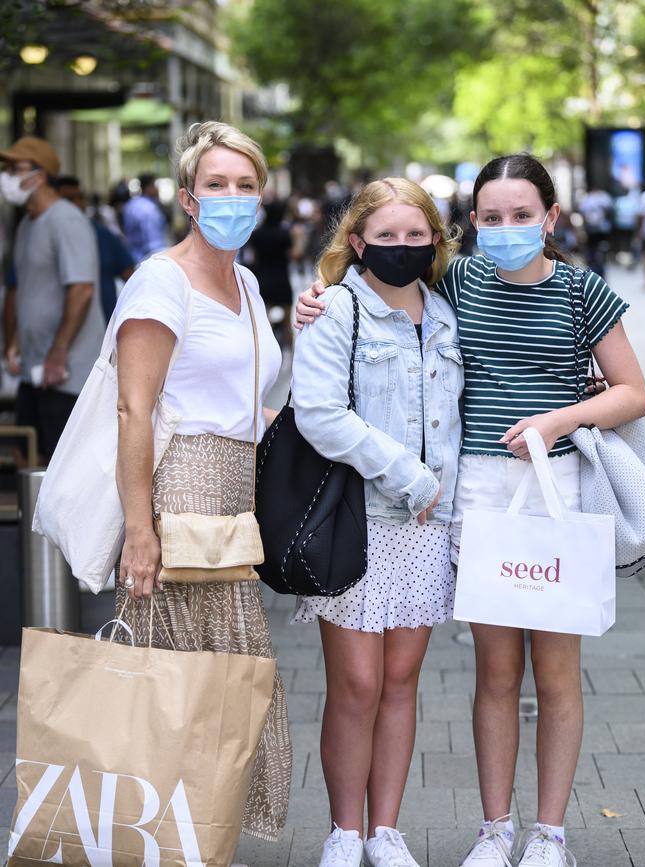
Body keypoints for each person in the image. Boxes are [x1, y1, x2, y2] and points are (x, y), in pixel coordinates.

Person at [296, 154, 645, 867]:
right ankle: (495, 828)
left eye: (523, 215)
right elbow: (381, 293)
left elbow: (632, 389)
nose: (507, 228)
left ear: (550, 218)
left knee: (556, 671)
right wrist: (318, 296)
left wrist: (558, 419)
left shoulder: (585, 292)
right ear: (472, 225)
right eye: (491, 217)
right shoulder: (458, 280)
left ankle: (549, 834)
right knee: (495, 672)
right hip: (478, 497)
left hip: (559, 492)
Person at [112, 121, 292, 845]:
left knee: (223, 684)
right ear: (188, 197)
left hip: (233, 495)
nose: (232, 197)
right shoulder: (162, 277)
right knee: (181, 684)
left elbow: (250, 400)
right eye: (216, 185)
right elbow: (135, 406)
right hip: (181, 488)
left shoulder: (245, 281)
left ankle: (194, 841)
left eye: (245, 185)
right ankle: (165, 842)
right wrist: (139, 529)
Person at [291, 178, 463, 867]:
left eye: (415, 235)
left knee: (400, 681)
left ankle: (385, 830)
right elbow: (319, 412)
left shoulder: (447, 313)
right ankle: (343, 829)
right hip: (357, 519)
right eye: (386, 236)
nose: (401, 247)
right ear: (357, 241)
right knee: (356, 683)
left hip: (428, 524)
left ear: (434, 240)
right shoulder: (334, 309)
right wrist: (407, 472)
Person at [0, 136, 104, 462]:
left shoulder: (66, 220)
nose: (7, 176)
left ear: (39, 174)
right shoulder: (27, 226)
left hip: (66, 374)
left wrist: (58, 355)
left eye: (14, 168)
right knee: (26, 452)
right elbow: (24, 288)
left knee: (60, 464)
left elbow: (82, 289)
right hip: (36, 368)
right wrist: (15, 340)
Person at [55, 176, 135, 322]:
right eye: (67, 199)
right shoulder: (45, 236)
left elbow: (131, 277)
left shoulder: (102, 235)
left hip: (103, 329)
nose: (74, 204)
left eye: (79, 198)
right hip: (56, 329)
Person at [249, 198, 298, 348]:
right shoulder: (285, 233)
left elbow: (253, 258)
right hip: (282, 279)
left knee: (264, 321)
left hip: (263, 279)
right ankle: (291, 356)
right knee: (287, 323)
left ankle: (265, 350)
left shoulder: (257, 234)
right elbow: (294, 255)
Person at [121, 172, 168, 264]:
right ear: (149, 187)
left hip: (133, 258)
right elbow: (154, 245)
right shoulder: (149, 209)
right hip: (148, 261)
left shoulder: (131, 204)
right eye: (155, 186)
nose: (157, 189)